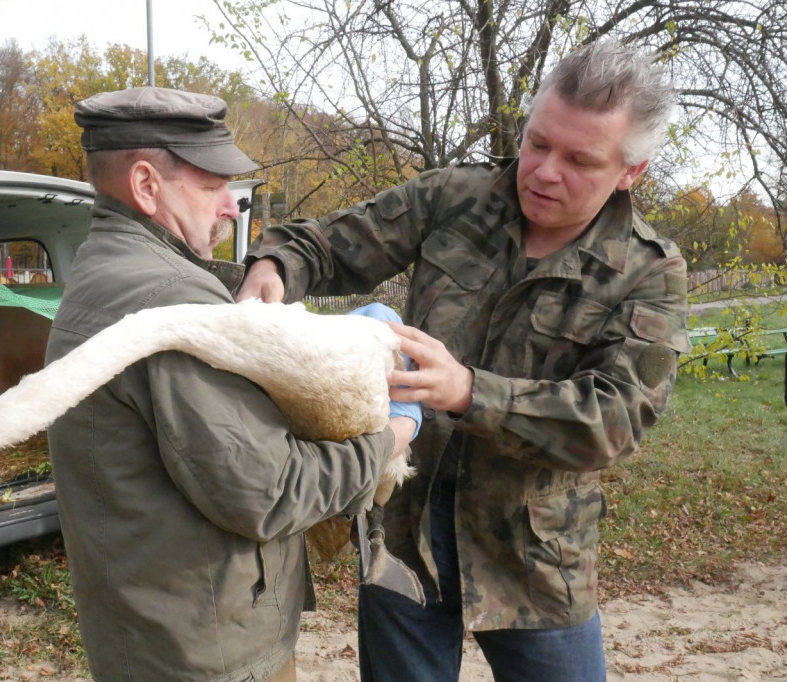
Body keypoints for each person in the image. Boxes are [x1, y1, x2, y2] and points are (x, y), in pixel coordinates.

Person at [237, 40, 691, 681]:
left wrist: (470, 392)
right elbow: (335, 243)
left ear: (630, 172)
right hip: (406, 530)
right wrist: (276, 264)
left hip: (536, 557)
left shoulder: (649, 273)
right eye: (538, 143)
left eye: (579, 159)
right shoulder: (458, 195)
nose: (543, 171)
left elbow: (615, 421)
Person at [44, 87, 419, 682]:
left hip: (155, 633)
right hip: (209, 653)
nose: (230, 207)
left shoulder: (104, 267)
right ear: (146, 185)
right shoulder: (169, 300)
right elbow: (268, 492)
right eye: (212, 184)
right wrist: (394, 434)